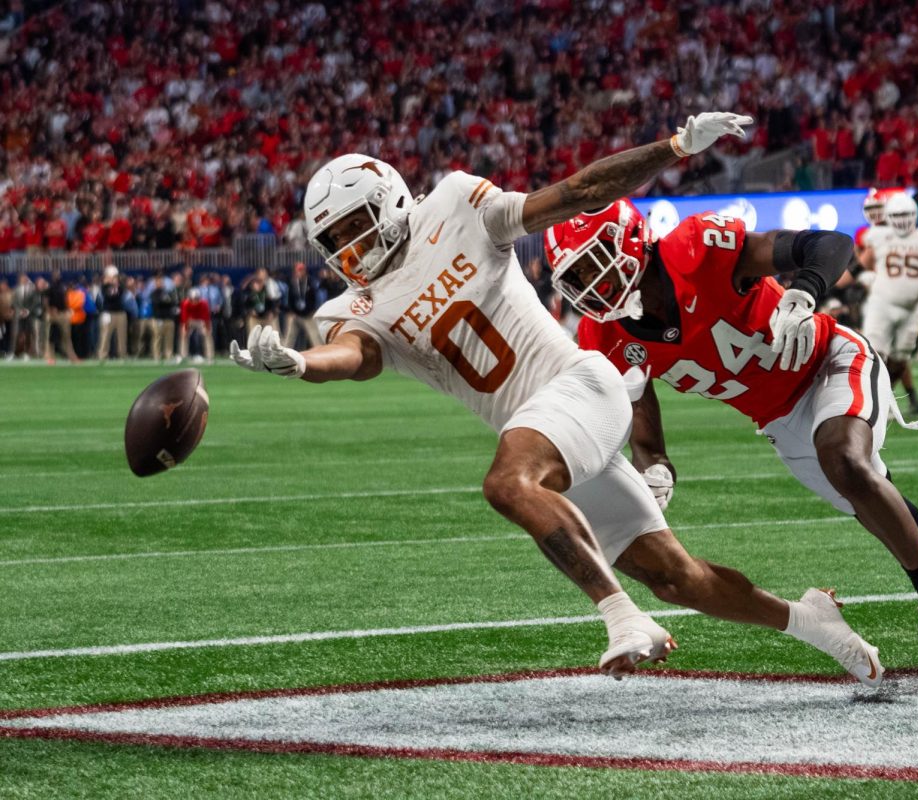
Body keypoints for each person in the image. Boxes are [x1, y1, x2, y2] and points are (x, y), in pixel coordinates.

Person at [229, 115, 882, 684]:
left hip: (579, 389)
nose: (352, 248)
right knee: (676, 577)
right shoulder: (353, 303)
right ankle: (811, 622)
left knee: (506, 483)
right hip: (548, 435)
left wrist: (675, 146)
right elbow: (356, 355)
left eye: (358, 226)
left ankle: (622, 618)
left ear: (393, 201)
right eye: (336, 239)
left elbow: (577, 194)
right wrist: (299, 363)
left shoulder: (455, 203)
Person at [547, 197, 918, 670]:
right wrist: (655, 467)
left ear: (631, 242)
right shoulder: (606, 335)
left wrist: (803, 292)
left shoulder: (695, 249)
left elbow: (831, 244)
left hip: (830, 361)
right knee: (871, 498)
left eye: (595, 265)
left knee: (844, 461)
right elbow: (643, 426)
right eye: (576, 278)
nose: (591, 287)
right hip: (779, 418)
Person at [857, 194, 918, 415]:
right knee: (875, 352)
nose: (875, 212)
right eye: (872, 208)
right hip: (880, 300)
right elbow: (860, 265)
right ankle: (873, 399)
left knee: (900, 356)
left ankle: (895, 396)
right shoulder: (873, 235)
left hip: (911, 302)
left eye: (879, 207)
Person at [282, 262, 321, 350]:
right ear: (295, 272)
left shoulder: (311, 282)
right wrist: (290, 311)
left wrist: (313, 310)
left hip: (308, 315)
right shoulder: (292, 282)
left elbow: (315, 298)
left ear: (305, 271)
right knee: (289, 337)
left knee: (315, 336)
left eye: (302, 270)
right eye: (298, 271)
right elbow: (289, 298)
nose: (300, 272)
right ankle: (284, 356)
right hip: (295, 314)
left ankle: (320, 352)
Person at [97, 265, 128, 362]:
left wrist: (116, 284)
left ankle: (122, 355)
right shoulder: (104, 286)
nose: (113, 278)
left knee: (121, 336)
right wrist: (111, 284)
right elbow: (110, 296)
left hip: (120, 313)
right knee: (105, 335)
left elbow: (121, 293)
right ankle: (102, 355)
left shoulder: (120, 286)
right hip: (108, 313)